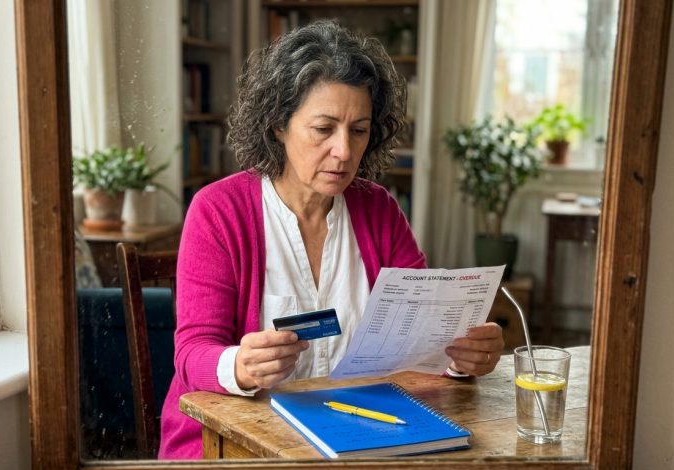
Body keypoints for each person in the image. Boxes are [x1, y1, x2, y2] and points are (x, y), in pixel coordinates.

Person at [158, 20, 504, 459]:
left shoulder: (378, 208)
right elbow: (191, 355)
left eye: (358, 131)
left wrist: (462, 355)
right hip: (237, 444)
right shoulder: (218, 210)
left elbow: (424, 335)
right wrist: (240, 367)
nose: (344, 151)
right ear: (278, 125)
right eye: (324, 129)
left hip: (360, 434)